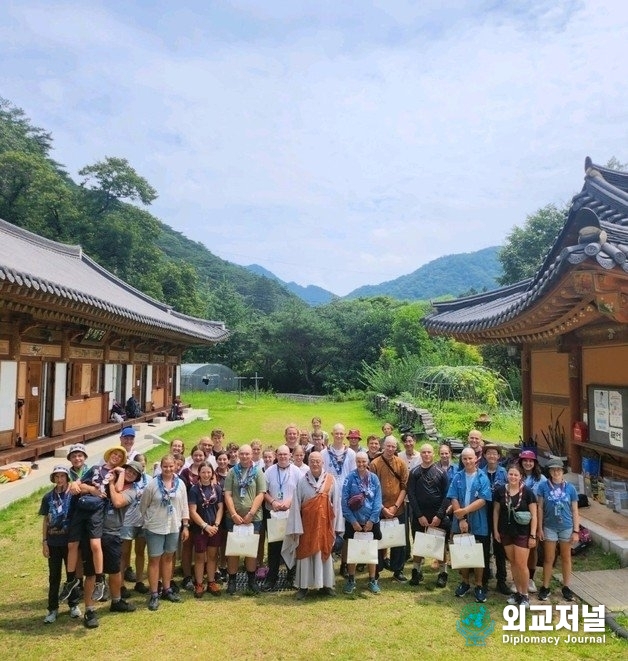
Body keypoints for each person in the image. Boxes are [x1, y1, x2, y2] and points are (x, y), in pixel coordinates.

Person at [59, 445, 128, 605]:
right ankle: (70, 580)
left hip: (97, 509)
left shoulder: (116, 475)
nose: (116, 457)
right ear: (109, 455)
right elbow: (79, 484)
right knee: (72, 545)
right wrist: (91, 489)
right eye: (114, 454)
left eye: (119, 456)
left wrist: (121, 473)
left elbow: (118, 489)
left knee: (95, 545)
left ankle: (99, 580)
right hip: (82, 507)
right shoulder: (95, 468)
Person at [81, 459, 139, 629]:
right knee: (91, 573)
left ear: (136, 478)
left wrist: (112, 484)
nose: (130, 474)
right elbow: (84, 487)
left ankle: (116, 601)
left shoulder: (133, 491)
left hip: (113, 534)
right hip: (93, 532)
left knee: (114, 570)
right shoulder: (105, 477)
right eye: (128, 470)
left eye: (134, 474)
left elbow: (117, 502)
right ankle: (89, 610)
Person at [282, 451, 336, 600]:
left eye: (318, 461)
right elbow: (295, 507)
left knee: (323, 554)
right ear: (309, 462)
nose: (315, 464)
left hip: (324, 526)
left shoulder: (330, 481)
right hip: (306, 527)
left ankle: (326, 585)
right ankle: (303, 587)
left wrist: (336, 526)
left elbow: (336, 505)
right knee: (304, 555)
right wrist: (295, 528)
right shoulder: (302, 481)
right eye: (312, 461)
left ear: (322, 462)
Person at [140, 454, 190, 611]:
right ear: (161, 467)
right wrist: (148, 521)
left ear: (175, 466)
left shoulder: (180, 483)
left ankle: (167, 588)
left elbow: (184, 505)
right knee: (154, 559)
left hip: (173, 526)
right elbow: (143, 506)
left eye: (171, 466)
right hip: (155, 527)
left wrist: (186, 525)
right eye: (165, 466)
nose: (168, 469)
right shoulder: (152, 485)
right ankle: (154, 592)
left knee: (168, 558)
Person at [448, 447, 492, 603]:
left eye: (470, 458)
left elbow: (483, 499)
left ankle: (479, 585)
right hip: (460, 522)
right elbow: (453, 497)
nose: (467, 461)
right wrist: (461, 519)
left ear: (476, 459)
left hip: (479, 521)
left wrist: (464, 511)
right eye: (464, 459)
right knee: (463, 553)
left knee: (478, 554)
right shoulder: (457, 477)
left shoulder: (483, 477)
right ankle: (465, 582)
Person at [39, 466, 82, 624]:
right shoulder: (47, 497)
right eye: (56, 476)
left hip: (70, 542)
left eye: (62, 476)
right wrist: (44, 542)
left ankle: (74, 604)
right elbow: (45, 520)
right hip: (54, 542)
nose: (59, 479)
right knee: (54, 576)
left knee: (72, 575)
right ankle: (52, 608)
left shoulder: (73, 494)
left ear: (67, 478)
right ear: (53, 479)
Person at [223, 444, 266, 595]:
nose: (245, 456)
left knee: (250, 550)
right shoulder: (232, 472)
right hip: (233, 518)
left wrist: (251, 513)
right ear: (238, 455)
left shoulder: (258, 472)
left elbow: (261, 493)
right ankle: (232, 581)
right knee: (234, 550)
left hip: (253, 518)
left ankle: (251, 581)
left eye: (248, 454)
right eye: (242, 454)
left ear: (251, 455)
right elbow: (227, 494)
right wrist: (234, 514)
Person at [493, 462, 537, 608]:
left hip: (522, 533)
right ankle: (517, 592)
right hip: (505, 532)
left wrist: (532, 535)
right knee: (512, 563)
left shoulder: (528, 492)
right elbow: (496, 512)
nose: (513, 477)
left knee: (521, 564)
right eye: (510, 474)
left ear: (521, 476)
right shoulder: (500, 491)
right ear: (507, 475)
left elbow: (534, 515)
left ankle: (525, 595)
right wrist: (496, 530)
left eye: (516, 475)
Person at [407, 444, 450, 588]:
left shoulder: (441, 472)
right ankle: (416, 571)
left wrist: (439, 515)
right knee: (419, 544)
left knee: (440, 545)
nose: (426, 455)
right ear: (421, 454)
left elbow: (447, 495)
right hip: (420, 516)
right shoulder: (414, 472)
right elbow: (411, 494)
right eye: (424, 452)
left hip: (437, 515)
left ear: (434, 454)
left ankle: (443, 573)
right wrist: (419, 515)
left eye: (429, 452)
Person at [537, 458, 579, 602]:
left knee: (566, 557)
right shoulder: (543, 486)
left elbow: (574, 510)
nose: (556, 472)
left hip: (566, 527)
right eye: (553, 470)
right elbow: (540, 508)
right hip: (549, 526)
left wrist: (576, 530)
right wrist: (540, 528)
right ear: (549, 471)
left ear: (563, 471)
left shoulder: (570, 488)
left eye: (559, 470)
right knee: (549, 558)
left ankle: (566, 587)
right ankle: (545, 586)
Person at [341, 452, 383, 594]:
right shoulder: (349, 478)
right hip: (354, 522)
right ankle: (351, 579)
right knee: (353, 551)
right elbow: (344, 502)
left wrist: (372, 520)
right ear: (355, 462)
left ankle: (372, 580)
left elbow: (378, 501)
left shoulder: (374, 479)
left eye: (364, 461)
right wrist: (353, 522)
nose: (361, 464)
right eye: (358, 461)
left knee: (371, 551)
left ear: (368, 462)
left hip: (371, 522)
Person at [261, 445, 301, 591]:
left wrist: (289, 502)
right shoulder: (269, 471)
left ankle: (292, 576)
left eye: (286, 454)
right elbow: (263, 491)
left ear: (290, 455)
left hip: (291, 514)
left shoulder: (296, 471)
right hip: (274, 514)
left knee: (292, 545)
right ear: (276, 455)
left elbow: (300, 491)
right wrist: (273, 502)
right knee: (274, 548)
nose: (283, 457)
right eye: (280, 454)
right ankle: (272, 578)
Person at [369, 437, 409, 582]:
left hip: (398, 509)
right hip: (379, 509)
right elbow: (371, 489)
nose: (391, 449)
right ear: (382, 446)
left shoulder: (401, 464)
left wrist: (396, 506)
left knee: (398, 541)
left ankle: (398, 569)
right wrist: (383, 508)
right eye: (388, 446)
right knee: (379, 539)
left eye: (393, 446)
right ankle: (377, 570)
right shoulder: (374, 464)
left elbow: (404, 486)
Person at [321, 423, 357, 577]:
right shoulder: (324, 453)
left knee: (347, 533)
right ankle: (327, 562)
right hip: (329, 498)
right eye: (337, 433)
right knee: (328, 530)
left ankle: (344, 563)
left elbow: (354, 475)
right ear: (332, 434)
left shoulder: (350, 454)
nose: (339, 436)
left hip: (346, 499)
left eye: (342, 433)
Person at [188, 463, 224, 598]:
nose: (206, 475)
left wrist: (216, 524)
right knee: (199, 557)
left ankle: (211, 581)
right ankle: (198, 583)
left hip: (214, 528)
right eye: (203, 472)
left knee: (212, 556)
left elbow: (220, 507)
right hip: (200, 529)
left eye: (209, 472)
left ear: (212, 473)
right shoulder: (194, 490)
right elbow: (192, 511)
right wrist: (204, 526)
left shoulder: (217, 488)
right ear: (199, 473)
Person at [517, 449, 547, 594]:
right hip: (517, 517)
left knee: (532, 547)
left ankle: (530, 579)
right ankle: (518, 579)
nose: (528, 463)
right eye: (525, 461)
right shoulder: (516, 475)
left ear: (535, 463)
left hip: (534, 517)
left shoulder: (541, 479)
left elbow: (546, 499)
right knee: (517, 548)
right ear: (521, 462)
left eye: (531, 461)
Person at [120, 456, 151, 595]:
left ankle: (139, 581)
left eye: (143, 466)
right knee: (124, 553)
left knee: (140, 552)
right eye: (139, 466)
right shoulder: (126, 481)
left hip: (143, 521)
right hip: (126, 521)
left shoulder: (150, 480)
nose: (141, 468)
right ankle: (120, 584)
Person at [480, 444, 509, 595]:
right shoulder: (480, 473)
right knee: (484, 547)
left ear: (499, 456)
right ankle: (483, 580)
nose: (492, 456)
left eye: (495, 454)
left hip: (501, 514)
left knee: (500, 548)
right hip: (484, 512)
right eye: (489, 453)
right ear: (485, 456)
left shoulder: (504, 473)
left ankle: (501, 581)